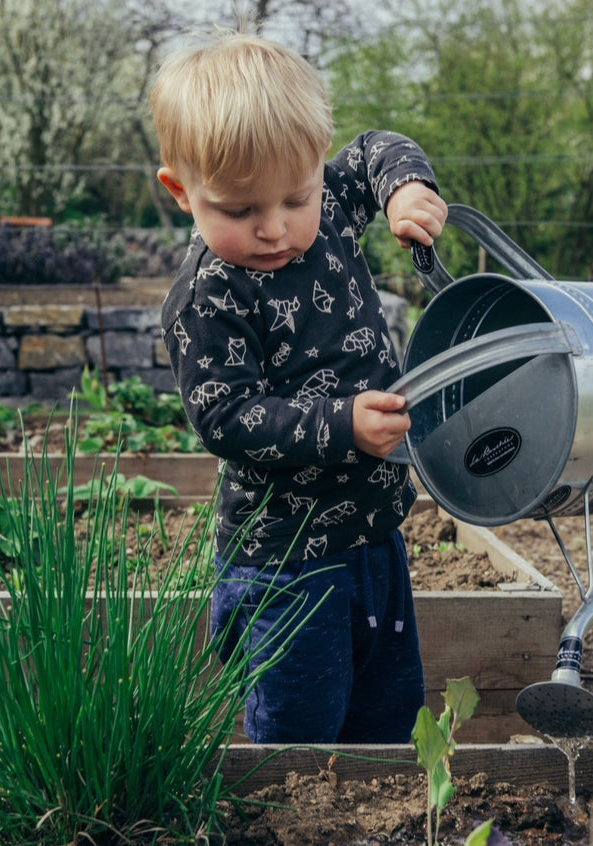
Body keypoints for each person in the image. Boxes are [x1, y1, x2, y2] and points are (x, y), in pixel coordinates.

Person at [150, 29, 448, 744]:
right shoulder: (209, 297)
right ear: (180, 191)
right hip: (286, 565)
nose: (274, 228)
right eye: (238, 210)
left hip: (377, 537)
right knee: (301, 737)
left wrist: (407, 188)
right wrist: (342, 424)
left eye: (295, 196)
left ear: (317, 166)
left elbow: (378, 147)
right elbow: (227, 417)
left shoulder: (335, 206)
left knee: (388, 714)